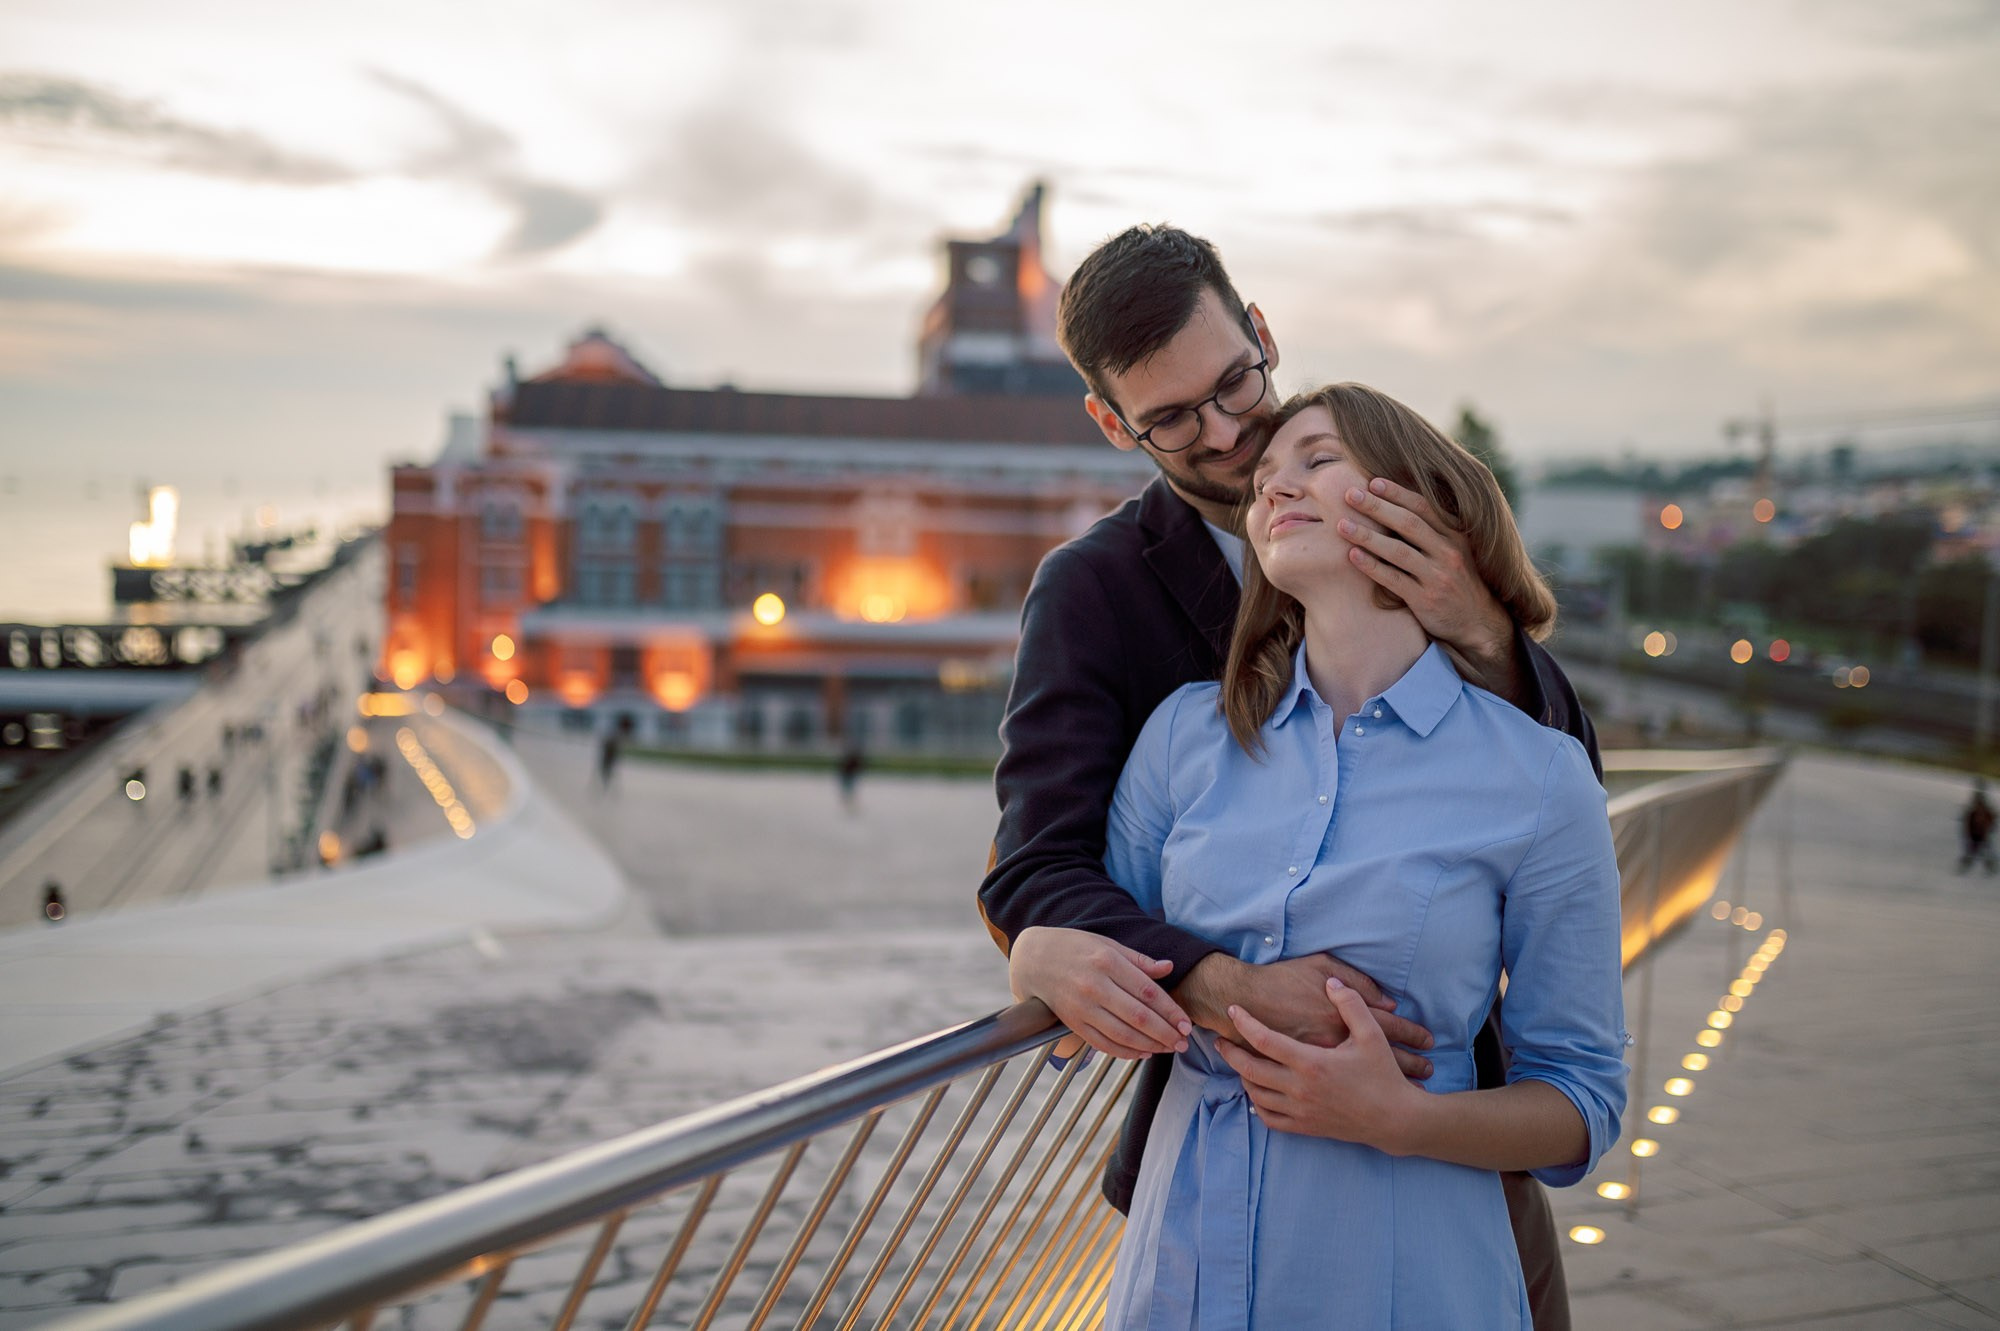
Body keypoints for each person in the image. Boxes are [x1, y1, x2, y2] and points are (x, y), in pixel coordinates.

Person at [979, 224, 1601, 1327]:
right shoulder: (1095, 594)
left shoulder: (1391, 499)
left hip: (1456, 1145)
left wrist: (1479, 631)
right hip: (1215, 1160)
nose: (1224, 434)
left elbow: (1550, 791)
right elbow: (1038, 870)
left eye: (1235, 382)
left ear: (1261, 332)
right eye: (1171, 418)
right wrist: (1217, 985)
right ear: (1111, 423)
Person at [1960, 778, 1996, 874]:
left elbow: (1991, 820)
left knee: (1977, 851)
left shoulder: (1979, 811)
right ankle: (1989, 867)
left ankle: (1990, 867)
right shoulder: (1976, 811)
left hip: (1980, 835)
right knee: (1977, 851)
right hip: (1978, 835)